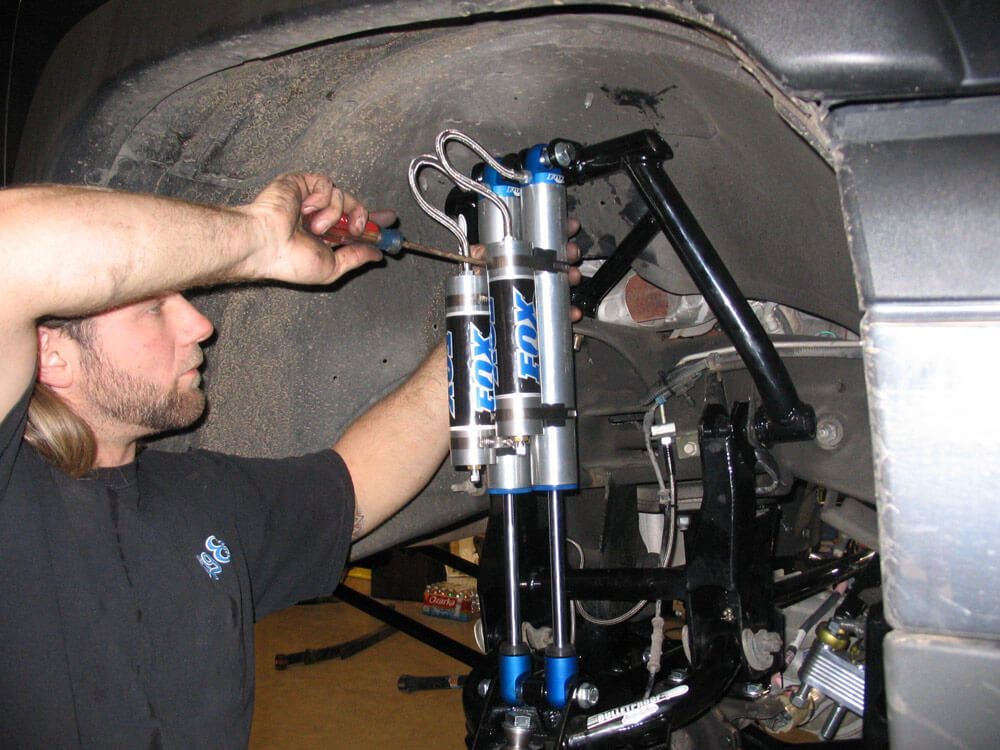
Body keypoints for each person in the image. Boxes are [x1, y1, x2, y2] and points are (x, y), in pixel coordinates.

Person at [0, 174, 447, 748]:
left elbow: (356, 486)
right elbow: (12, 245)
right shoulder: (12, 487)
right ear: (51, 354)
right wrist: (259, 238)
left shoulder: (202, 497)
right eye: (155, 308)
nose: (201, 326)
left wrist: (484, 328)